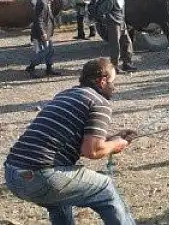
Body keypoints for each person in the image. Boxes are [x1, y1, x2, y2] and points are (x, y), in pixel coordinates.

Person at [5, 58, 137, 224]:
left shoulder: (65, 95)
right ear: (102, 81)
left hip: (12, 175)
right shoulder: (99, 102)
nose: (114, 87)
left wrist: (110, 140)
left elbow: (74, 144)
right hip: (42, 176)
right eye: (113, 82)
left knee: (59, 199)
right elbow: (92, 151)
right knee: (106, 188)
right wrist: (117, 144)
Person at [25, 0, 62, 78]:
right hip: (41, 33)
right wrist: (43, 33)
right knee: (43, 52)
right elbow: (39, 20)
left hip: (47, 32)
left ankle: (49, 69)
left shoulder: (47, 2)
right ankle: (31, 67)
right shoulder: (42, 3)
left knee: (50, 51)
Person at [107, 0, 137, 73]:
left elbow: (121, 10)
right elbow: (104, 11)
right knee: (115, 46)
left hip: (122, 22)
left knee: (127, 43)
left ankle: (127, 64)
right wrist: (112, 20)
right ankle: (114, 67)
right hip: (114, 24)